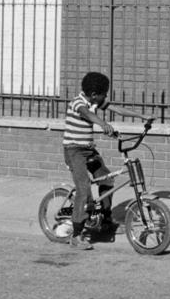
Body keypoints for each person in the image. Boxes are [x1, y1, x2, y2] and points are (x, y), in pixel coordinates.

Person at [62, 71, 149, 250]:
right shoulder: (77, 103)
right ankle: (77, 236)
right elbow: (88, 115)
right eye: (104, 93)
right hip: (74, 151)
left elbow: (116, 109)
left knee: (107, 178)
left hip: (88, 150)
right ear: (94, 94)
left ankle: (105, 218)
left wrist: (142, 117)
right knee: (84, 187)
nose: (106, 96)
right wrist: (102, 124)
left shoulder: (96, 102)